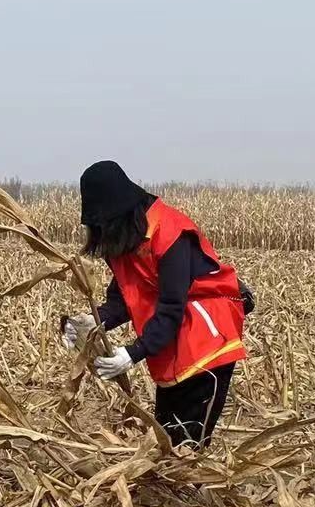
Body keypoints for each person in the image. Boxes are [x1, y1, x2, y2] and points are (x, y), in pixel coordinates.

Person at [63, 161, 251, 448]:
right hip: (175, 344)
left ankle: (186, 490)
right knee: (167, 439)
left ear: (118, 216)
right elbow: (124, 298)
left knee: (187, 445)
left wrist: (132, 353)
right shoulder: (127, 241)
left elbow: (171, 306)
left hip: (206, 339)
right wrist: (92, 321)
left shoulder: (170, 234)